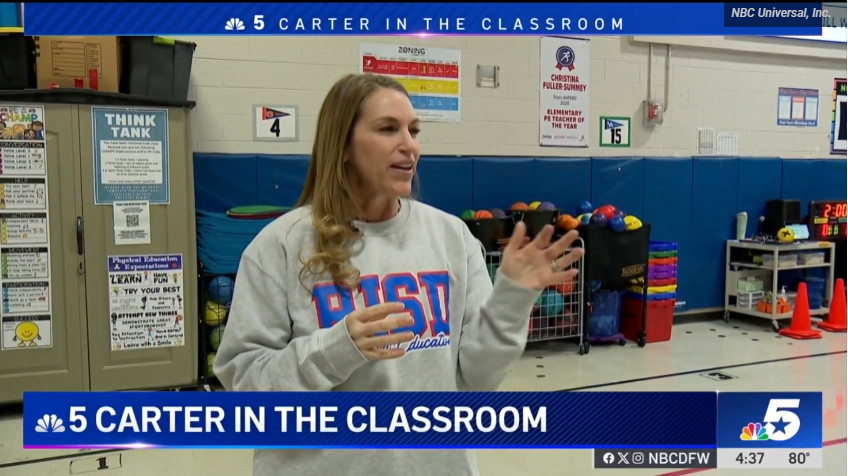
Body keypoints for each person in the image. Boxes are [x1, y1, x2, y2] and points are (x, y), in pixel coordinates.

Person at [214, 73, 584, 476]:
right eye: (388, 129)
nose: (409, 145)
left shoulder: (450, 238)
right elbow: (246, 389)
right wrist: (336, 349)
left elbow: (475, 379)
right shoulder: (280, 247)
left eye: (414, 130)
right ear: (342, 146)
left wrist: (511, 299)